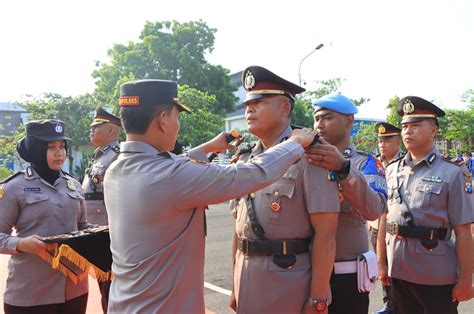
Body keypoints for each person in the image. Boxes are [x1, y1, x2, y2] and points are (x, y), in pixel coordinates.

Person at [103, 79, 318, 313]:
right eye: (177, 117)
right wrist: (296, 143)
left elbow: (173, 167)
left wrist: (208, 149)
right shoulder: (171, 176)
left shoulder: (115, 170)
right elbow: (254, 172)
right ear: (163, 120)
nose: (178, 125)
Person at [230, 66, 340, 314]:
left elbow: (326, 234)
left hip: (288, 284)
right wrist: (235, 283)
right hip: (246, 278)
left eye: (259, 102)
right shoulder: (246, 158)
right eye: (248, 103)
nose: (249, 109)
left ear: (285, 108)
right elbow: (239, 227)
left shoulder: (311, 156)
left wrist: (318, 298)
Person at [377, 96, 473, 314]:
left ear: (433, 130)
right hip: (398, 269)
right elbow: (385, 218)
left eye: (416, 126)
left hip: (436, 274)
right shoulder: (392, 169)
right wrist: (382, 263)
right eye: (404, 126)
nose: (407, 132)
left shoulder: (454, 172)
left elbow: (464, 231)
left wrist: (466, 279)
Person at [304, 93, 388, 314]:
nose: (319, 125)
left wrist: (344, 169)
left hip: (346, 276)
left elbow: (373, 210)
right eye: (316, 118)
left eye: (327, 117)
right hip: (305, 271)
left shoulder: (365, 163)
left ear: (349, 120)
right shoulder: (307, 162)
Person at [0, 119, 90, 314]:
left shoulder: (73, 184)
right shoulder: (13, 187)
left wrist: (102, 232)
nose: (59, 153)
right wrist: (21, 244)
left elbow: (82, 226)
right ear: (36, 149)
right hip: (32, 292)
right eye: (51, 147)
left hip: (74, 287)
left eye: (62, 146)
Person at [82, 107, 121, 312]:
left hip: (109, 233)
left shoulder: (118, 155)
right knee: (103, 288)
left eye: (96, 127)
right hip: (95, 232)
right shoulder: (99, 155)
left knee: (111, 291)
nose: (91, 130)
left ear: (111, 131)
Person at [369, 122, 404, 314]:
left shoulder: (405, 163)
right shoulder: (373, 163)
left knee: (396, 265)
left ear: (398, 142)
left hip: (394, 226)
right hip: (375, 225)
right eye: (380, 141)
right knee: (380, 267)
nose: (382, 144)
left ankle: (400, 303)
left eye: (387, 140)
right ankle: (388, 303)